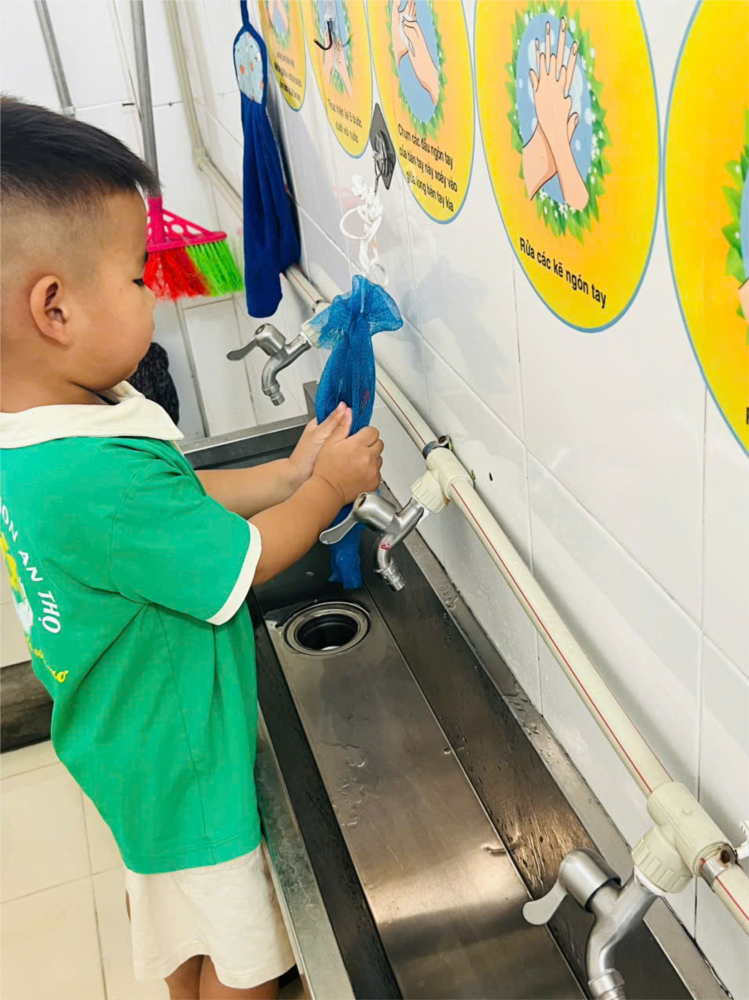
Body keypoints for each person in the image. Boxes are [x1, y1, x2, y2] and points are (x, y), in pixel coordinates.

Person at [0, 97, 383, 1000]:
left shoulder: (49, 434)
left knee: (176, 916)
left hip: (123, 743)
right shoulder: (93, 476)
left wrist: (287, 472)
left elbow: (177, 503)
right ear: (55, 308)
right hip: (183, 768)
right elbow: (244, 562)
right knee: (247, 960)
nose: (154, 293)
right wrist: (327, 490)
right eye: (138, 276)